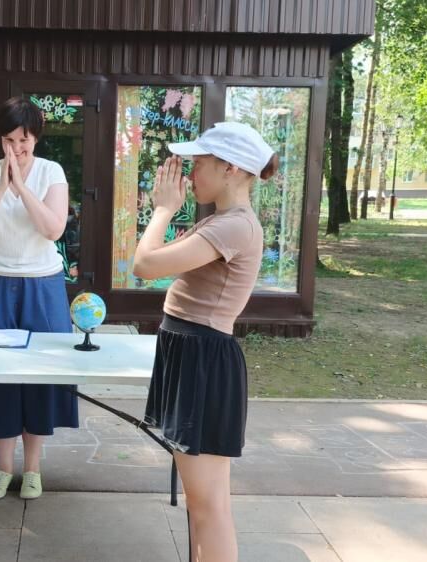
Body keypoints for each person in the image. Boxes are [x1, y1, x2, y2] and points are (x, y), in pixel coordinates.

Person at [132, 122, 277, 562]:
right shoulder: (220, 222)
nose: (190, 174)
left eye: (198, 163)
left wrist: (163, 210)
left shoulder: (234, 226)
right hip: (193, 354)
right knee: (203, 504)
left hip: (203, 359)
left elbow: (144, 265)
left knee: (208, 505)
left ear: (230, 168)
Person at [0, 96, 77, 501]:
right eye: (9, 140)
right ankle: (3, 468)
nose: (17, 148)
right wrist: (0, 187)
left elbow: (53, 229)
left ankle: (32, 469)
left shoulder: (51, 172)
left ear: (36, 138)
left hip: (43, 284)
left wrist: (22, 188)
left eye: (24, 140)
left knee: (40, 375)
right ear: (1, 139)